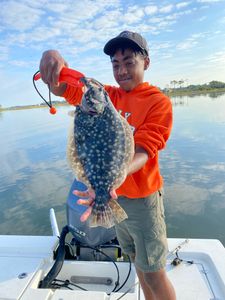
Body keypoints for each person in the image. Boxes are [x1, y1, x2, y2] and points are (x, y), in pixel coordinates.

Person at [39, 30, 176, 300]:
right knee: (138, 263)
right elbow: (64, 87)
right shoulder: (104, 96)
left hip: (143, 201)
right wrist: (54, 60)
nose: (122, 70)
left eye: (129, 62)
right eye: (115, 64)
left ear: (146, 62)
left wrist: (120, 171)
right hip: (116, 197)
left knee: (154, 271)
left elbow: (146, 148)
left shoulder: (157, 102)